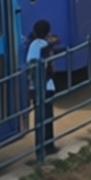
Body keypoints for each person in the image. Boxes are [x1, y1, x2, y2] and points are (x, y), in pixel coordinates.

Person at [25, 20, 59, 149]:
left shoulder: (34, 44)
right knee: (47, 117)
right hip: (47, 85)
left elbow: (31, 63)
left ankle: (41, 146)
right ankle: (48, 145)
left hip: (37, 86)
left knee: (40, 117)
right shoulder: (46, 44)